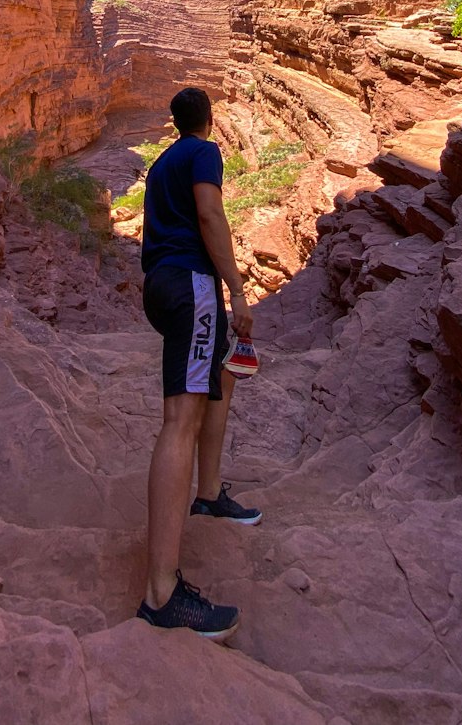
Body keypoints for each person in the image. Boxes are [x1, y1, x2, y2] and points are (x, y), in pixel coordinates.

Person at [135, 86, 261, 641]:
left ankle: (208, 493)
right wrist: (236, 288)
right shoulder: (202, 152)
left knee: (218, 382)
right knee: (179, 422)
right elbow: (210, 215)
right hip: (193, 284)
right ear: (207, 121)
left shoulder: (162, 162)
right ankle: (161, 593)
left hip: (162, 285)